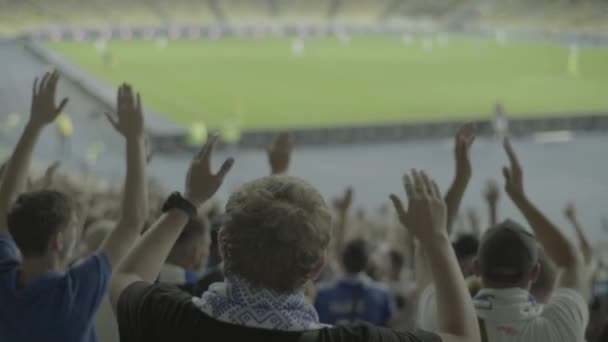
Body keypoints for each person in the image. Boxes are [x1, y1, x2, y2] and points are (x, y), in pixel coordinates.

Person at [110, 134, 480, 342]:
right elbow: (463, 338)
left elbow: (126, 279)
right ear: (317, 268)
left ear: (221, 247)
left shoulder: (171, 316)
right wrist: (436, 239)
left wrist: (186, 203)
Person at [0, 71, 149, 342]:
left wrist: (34, 125)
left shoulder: (5, 278)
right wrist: (135, 138)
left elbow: (5, 205)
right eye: (73, 225)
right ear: (58, 241)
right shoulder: (73, 292)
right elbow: (132, 221)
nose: (77, 230)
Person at [417, 138, 589, 342]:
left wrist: (461, 179)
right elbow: (570, 260)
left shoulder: (443, 321)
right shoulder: (561, 327)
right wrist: (521, 199)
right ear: (535, 272)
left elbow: (427, 250)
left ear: (476, 269)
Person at [314, 238, 394, 326]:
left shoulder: (321, 294)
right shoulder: (381, 294)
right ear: (367, 262)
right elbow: (391, 328)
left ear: (342, 259)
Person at [158, 217, 210, 286]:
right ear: (196, 251)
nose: (208, 252)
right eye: (207, 245)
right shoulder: (198, 285)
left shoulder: (146, 274)